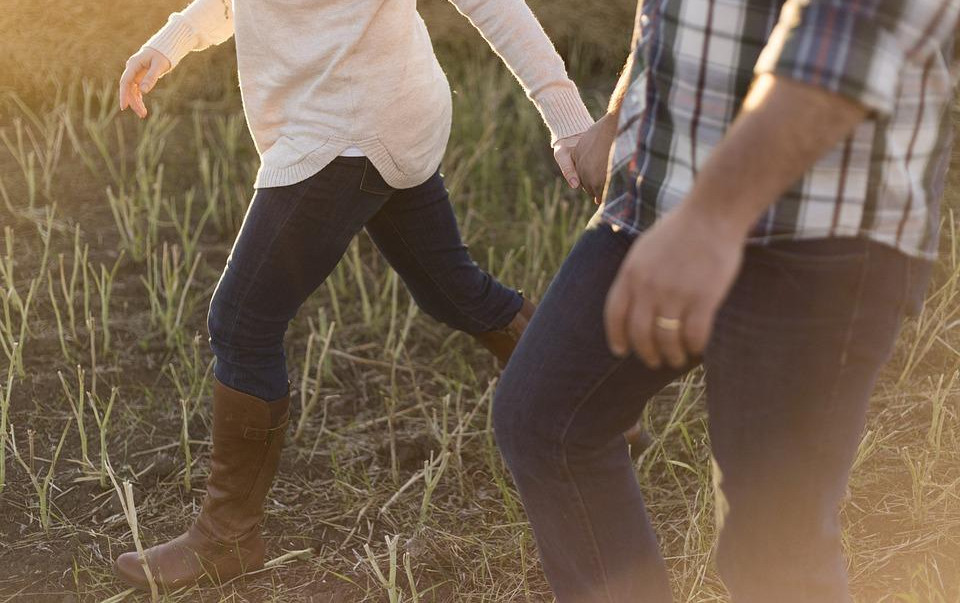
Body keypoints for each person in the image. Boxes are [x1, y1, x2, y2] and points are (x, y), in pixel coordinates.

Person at [111, 0, 597, 590]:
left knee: (241, 321)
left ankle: (227, 537)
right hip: (376, 108)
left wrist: (568, 118)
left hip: (349, 127)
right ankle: (588, 406)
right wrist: (171, 41)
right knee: (452, 291)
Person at [493, 0, 959, 600]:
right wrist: (621, 113)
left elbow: (849, 40)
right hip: (664, 191)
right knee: (546, 418)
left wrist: (711, 219)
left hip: (819, 222)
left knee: (771, 548)